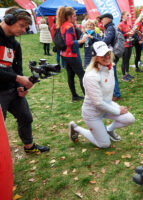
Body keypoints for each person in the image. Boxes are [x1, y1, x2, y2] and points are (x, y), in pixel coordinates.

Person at [0, 7, 50, 153]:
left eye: (26, 27)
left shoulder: (15, 44)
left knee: (26, 117)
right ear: (8, 20)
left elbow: (18, 69)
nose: (24, 30)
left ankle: (29, 146)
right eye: (21, 26)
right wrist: (17, 78)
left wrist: (20, 86)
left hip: (12, 89)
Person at [68, 41, 135, 148]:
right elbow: (98, 103)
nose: (106, 56)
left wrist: (115, 107)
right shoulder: (91, 76)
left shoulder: (110, 67)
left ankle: (108, 130)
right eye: (102, 55)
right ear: (95, 57)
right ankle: (76, 128)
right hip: (92, 113)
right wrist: (118, 110)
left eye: (108, 53)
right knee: (104, 144)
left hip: (106, 105)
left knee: (129, 119)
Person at [56, 7, 87, 101]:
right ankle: (88, 98)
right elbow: (69, 42)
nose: (76, 17)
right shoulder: (69, 26)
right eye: (74, 16)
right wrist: (81, 41)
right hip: (71, 55)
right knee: (82, 75)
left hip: (64, 54)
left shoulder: (62, 24)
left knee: (70, 75)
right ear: (69, 16)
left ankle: (74, 96)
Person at [99, 13, 121, 101]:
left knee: (112, 74)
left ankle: (116, 94)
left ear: (108, 19)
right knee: (111, 73)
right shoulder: (111, 27)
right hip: (113, 52)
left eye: (103, 19)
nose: (102, 21)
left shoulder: (110, 28)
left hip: (111, 54)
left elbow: (107, 41)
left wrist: (99, 43)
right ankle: (114, 93)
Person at [118, 11, 134, 82]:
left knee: (128, 59)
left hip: (129, 43)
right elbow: (119, 35)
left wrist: (132, 33)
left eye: (128, 15)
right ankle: (123, 76)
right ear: (123, 16)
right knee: (124, 60)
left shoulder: (128, 24)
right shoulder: (120, 25)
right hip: (124, 44)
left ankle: (127, 73)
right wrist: (127, 34)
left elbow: (130, 33)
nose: (128, 17)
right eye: (127, 15)